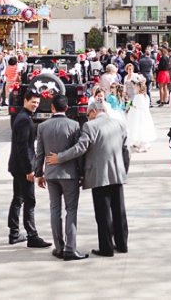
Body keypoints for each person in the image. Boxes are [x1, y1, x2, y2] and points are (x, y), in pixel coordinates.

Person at [46, 101, 130, 258]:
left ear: (93, 112)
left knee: (103, 213)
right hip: (117, 173)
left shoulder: (90, 127)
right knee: (119, 210)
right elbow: (126, 150)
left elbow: (80, 148)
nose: (88, 118)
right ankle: (122, 244)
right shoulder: (120, 124)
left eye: (88, 115)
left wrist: (60, 158)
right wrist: (123, 170)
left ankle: (107, 248)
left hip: (98, 175)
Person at [35, 95, 87, 261]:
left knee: (54, 210)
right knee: (71, 210)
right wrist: (81, 173)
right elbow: (78, 152)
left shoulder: (42, 127)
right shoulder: (74, 125)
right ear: (66, 108)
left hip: (51, 173)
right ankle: (70, 248)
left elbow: (40, 152)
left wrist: (38, 173)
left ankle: (59, 247)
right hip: (69, 173)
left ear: (52, 108)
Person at [7, 89, 52, 248]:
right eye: (33, 102)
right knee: (29, 200)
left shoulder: (21, 117)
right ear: (25, 100)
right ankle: (32, 235)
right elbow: (24, 147)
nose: (35, 105)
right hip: (22, 167)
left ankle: (14, 233)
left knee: (18, 198)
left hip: (17, 165)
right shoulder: (24, 120)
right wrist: (30, 170)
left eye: (38, 103)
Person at [125, 82, 156, 152]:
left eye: (136, 87)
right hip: (145, 113)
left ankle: (143, 145)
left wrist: (129, 103)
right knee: (144, 126)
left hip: (138, 114)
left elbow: (135, 105)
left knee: (139, 127)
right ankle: (144, 143)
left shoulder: (138, 96)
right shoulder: (146, 96)